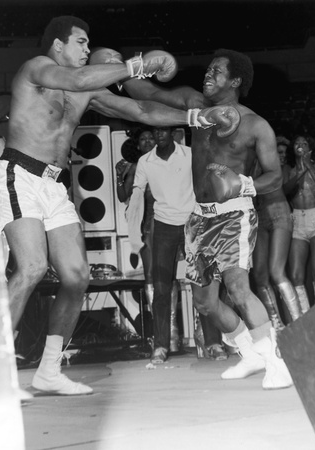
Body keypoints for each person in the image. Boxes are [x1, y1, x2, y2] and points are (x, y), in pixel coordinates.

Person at [0, 15, 201, 396]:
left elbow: (140, 112)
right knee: (32, 268)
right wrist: (138, 64)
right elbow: (75, 79)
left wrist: (195, 117)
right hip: (18, 174)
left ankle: (49, 371)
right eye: (81, 42)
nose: (88, 50)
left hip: (54, 186)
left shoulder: (87, 91)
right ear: (58, 44)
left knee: (76, 277)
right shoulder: (38, 68)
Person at [118, 47, 293, 389]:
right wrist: (122, 71)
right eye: (208, 69)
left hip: (234, 216)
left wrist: (242, 184)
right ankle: (249, 353)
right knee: (204, 303)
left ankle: (275, 360)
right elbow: (150, 93)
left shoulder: (256, 125)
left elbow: (276, 176)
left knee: (238, 287)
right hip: (199, 218)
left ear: (236, 81)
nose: (208, 75)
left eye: (217, 71)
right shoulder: (195, 105)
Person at [126, 126, 195, 364]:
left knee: (202, 281)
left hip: (192, 223)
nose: (158, 135)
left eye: (163, 130)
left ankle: (212, 341)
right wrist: (133, 234)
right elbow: (135, 195)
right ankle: (162, 345)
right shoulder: (145, 161)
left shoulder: (189, 154)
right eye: (155, 131)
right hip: (162, 226)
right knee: (160, 286)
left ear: (173, 132)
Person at [251, 134, 302, 331]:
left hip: (280, 214)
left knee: (276, 272)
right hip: (260, 218)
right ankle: (277, 325)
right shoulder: (254, 166)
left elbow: (287, 187)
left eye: (282, 153)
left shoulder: (285, 169)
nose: (279, 155)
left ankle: (298, 326)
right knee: (260, 276)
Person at [115, 126, 156, 316]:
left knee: (169, 274)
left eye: (150, 138)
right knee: (150, 273)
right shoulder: (135, 166)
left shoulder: (169, 161)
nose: (147, 141)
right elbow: (123, 195)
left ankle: (171, 332)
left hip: (172, 220)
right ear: (138, 145)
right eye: (143, 139)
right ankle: (159, 325)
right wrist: (118, 177)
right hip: (146, 222)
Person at [284, 133, 315, 312]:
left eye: (304, 143)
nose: (300, 146)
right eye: (297, 143)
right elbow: (286, 191)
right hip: (297, 220)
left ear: (310, 148)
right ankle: (304, 317)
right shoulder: (289, 170)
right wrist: (300, 171)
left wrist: (308, 165)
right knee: (296, 275)